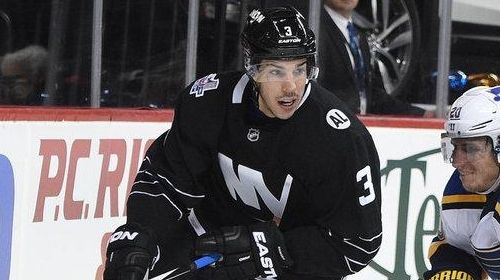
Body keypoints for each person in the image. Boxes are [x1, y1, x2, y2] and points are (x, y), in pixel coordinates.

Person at [104, 6, 382, 280]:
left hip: (293, 267)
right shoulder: (209, 103)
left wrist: (274, 250)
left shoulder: (340, 139)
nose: (291, 87)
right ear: (252, 67)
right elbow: (165, 183)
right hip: (206, 245)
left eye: (300, 70)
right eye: (276, 72)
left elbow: (359, 243)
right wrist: (140, 234)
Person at [423, 86, 500, 280]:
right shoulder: (460, 193)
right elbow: (457, 248)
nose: (457, 162)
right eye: (455, 148)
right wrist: (453, 271)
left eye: (471, 149)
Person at [318, 0, 432, 116]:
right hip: (331, 126)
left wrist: (421, 114)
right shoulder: (315, 30)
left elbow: (372, 97)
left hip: (358, 126)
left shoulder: (359, 36)